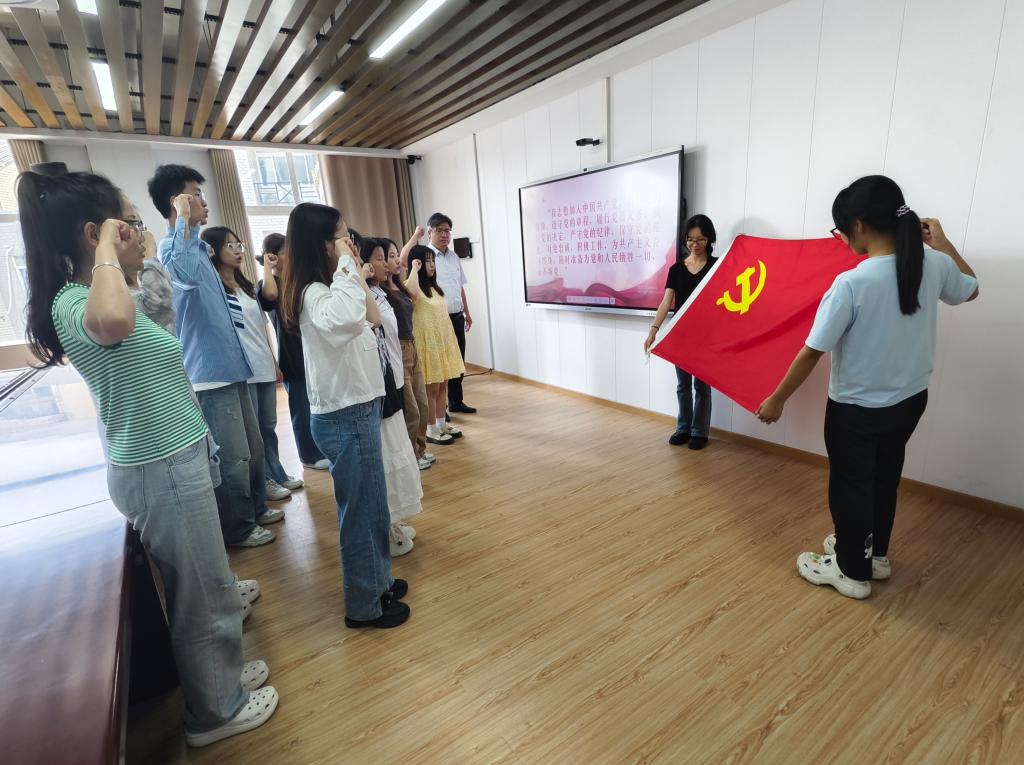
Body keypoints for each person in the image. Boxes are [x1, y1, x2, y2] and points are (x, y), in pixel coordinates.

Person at [20, 170, 278, 747]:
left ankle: (220, 677)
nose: (140, 234)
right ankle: (216, 712)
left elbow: (146, 315)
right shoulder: (74, 302)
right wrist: (109, 251)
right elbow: (114, 322)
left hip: (175, 458)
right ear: (95, 234)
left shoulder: (104, 294)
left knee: (210, 583)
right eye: (131, 223)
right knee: (202, 594)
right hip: (160, 467)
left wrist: (117, 253)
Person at [755, 175, 979, 600]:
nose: (840, 238)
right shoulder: (933, 263)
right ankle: (874, 555)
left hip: (856, 410)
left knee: (851, 486)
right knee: (883, 479)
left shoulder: (852, 283)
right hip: (910, 401)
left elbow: (811, 352)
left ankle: (851, 570)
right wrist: (944, 243)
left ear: (857, 225)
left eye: (840, 230)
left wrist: (777, 399)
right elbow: (971, 290)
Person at [277, 202, 410, 629]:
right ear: (323, 243)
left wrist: (350, 270)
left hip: (358, 408)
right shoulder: (313, 292)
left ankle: (378, 580)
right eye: (343, 237)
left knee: (374, 508)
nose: (351, 244)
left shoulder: (331, 286)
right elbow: (347, 318)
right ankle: (365, 605)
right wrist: (350, 267)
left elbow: (369, 317)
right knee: (360, 513)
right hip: (345, 414)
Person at [149, 165, 278, 548]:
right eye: (195, 193)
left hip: (233, 367)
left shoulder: (199, 249)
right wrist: (184, 220)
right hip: (209, 374)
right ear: (177, 200)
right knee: (234, 456)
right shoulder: (172, 248)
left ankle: (255, 508)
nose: (204, 201)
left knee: (252, 449)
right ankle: (239, 528)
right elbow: (185, 275)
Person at [201, 226, 302, 502]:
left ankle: (276, 472)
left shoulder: (245, 286)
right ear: (213, 250)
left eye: (239, 245)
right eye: (229, 245)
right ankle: (263, 481)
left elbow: (259, 326)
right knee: (253, 434)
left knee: (268, 426)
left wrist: (272, 360)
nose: (237, 250)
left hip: (263, 364)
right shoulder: (215, 289)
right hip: (242, 370)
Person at [359, 238, 424, 555]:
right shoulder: (362, 294)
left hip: (394, 378)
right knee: (387, 458)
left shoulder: (382, 293)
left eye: (388, 257)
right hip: (380, 384)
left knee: (398, 451)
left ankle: (394, 519)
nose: (388, 263)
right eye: (380, 258)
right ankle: (385, 526)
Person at [644, 214, 718, 450]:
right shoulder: (676, 269)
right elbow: (666, 301)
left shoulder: (717, 267)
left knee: (702, 387)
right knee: (683, 385)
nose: (695, 245)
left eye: (701, 240)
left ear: (710, 239)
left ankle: (700, 431)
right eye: (690, 240)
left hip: (706, 336)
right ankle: (683, 427)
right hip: (681, 335)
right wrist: (654, 330)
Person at [257, 233, 329, 471]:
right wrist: (268, 266)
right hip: (292, 356)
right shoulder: (269, 285)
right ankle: (308, 455)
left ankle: (320, 448)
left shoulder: (296, 282)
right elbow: (269, 297)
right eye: (286, 251)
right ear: (273, 256)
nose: (292, 254)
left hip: (310, 351)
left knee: (316, 404)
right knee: (301, 409)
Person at [380, 235, 433, 471]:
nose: (395, 261)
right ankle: (412, 454)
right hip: (398, 350)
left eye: (394, 255)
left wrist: (414, 267)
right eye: (389, 257)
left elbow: (415, 294)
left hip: (412, 346)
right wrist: (412, 240)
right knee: (411, 409)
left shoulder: (399, 286)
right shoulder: (379, 291)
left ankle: (420, 450)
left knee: (422, 405)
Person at [406, 245, 465, 446]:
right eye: (427, 261)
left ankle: (441, 424)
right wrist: (414, 269)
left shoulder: (435, 288)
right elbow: (411, 293)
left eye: (433, 260)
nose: (432, 265)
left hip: (443, 343)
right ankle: (430, 429)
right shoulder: (413, 287)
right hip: (427, 345)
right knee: (431, 389)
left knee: (442, 386)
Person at [424, 213, 477, 415]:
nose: (444, 235)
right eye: (439, 230)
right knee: (441, 363)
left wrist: (467, 312)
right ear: (429, 232)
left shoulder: (454, 257)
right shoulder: (424, 257)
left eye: (447, 230)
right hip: (437, 320)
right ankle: (441, 408)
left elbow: (459, 287)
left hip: (456, 316)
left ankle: (456, 401)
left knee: (458, 360)